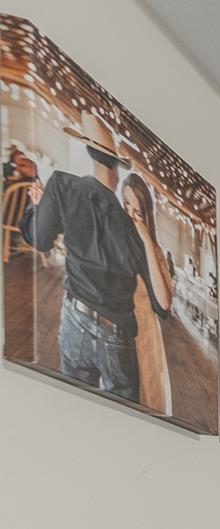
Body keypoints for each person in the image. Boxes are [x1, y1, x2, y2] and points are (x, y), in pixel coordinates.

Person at [19, 111, 167, 405]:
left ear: (88, 150)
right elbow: (161, 306)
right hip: (118, 335)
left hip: (76, 317)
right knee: (124, 420)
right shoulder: (133, 227)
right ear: (116, 166)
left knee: (72, 409)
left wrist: (35, 207)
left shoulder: (63, 186)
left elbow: (39, 239)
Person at [118, 172, 174, 414]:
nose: (129, 213)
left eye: (136, 210)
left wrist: (147, 242)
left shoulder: (155, 251)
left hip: (145, 339)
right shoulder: (115, 238)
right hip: (115, 334)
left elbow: (164, 303)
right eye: (125, 203)